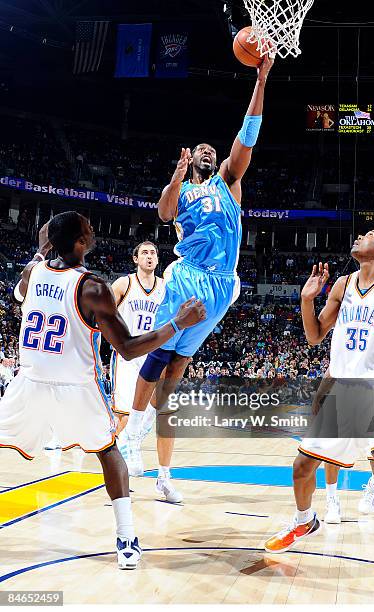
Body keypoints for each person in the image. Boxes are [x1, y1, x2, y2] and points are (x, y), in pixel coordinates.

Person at [0, 212, 205, 570]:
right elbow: (126, 347)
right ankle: (126, 536)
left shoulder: (33, 272)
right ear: (80, 243)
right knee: (109, 453)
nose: (94, 231)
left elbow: (19, 291)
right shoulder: (92, 287)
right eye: (88, 229)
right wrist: (178, 323)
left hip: (28, 381)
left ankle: (126, 535)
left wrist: (39, 253)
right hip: (75, 387)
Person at [121, 53, 276, 496]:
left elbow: (248, 134)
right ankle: (132, 437)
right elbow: (165, 212)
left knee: (177, 370)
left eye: (213, 149)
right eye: (201, 150)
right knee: (158, 355)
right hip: (189, 275)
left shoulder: (230, 180)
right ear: (192, 162)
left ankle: (163, 468)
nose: (209, 151)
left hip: (222, 284)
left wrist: (260, 80)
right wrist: (175, 176)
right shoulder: (186, 190)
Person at [264, 229, 374, 588]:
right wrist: (306, 300)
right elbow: (314, 336)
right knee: (301, 467)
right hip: (342, 389)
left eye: (368, 235)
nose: (359, 236)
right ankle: (304, 520)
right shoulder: (342, 284)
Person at [110, 240, 182, 502]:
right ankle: (119, 467)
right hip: (129, 355)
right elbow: (104, 314)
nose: (150, 256)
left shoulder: (167, 287)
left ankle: (163, 478)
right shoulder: (123, 284)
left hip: (157, 354)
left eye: (153, 253)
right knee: (125, 418)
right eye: (145, 253)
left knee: (165, 416)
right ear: (135, 258)